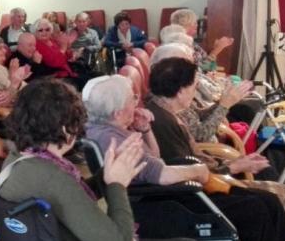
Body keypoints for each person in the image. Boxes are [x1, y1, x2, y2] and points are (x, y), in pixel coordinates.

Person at [0, 79, 233, 241]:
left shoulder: (19, 163)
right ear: (66, 127)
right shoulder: (52, 177)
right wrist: (117, 185)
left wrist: (106, 177)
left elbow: (70, 201)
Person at [146, 57, 285, 241]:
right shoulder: (160, 122)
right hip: (189, 199)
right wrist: (231, 168)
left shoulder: (163, 111)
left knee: (269, 202)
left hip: (198, 187)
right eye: (193, 85)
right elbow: (183, 170)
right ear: (180, 90)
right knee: (257, 209)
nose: (195, 90)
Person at [83, 75, 211, 187]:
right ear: (118, 113)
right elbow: (162, 175)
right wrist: (199, 171)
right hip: (154, 197)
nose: (136, 103)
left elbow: (154, 156)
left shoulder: (104, 127)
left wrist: (145, 130)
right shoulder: (112, 140)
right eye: (132, 99)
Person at [34, 18, 86, 90]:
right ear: (35, 32)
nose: (44, 32)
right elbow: (55, 63)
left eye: (47, 30)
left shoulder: (51, 41)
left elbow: (66, 56)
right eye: (40, 30)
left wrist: (69, 50)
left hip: (68, 71)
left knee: (92, 76)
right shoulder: (37, 45)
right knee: (86, 82)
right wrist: (63, 47)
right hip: (57, 77)